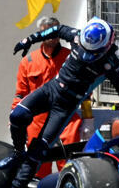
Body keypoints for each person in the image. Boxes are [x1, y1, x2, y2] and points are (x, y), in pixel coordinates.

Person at [0, 17, 119, 188]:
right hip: (51, 89)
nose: (85, 54)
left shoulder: (111, 64)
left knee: (38, 151)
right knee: (17, 115)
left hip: (64, 107)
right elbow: (55, 30)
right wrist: (29, 40)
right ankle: (17, 152)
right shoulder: (76, 36)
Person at [13, 16, 86, 178]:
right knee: (37, 170)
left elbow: (85, 89)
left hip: (67, 121)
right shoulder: (28, 61)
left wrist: (88, 119)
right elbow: (20, 94)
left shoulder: (71, 56)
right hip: (36, 123)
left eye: (54, 32)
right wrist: (17, 123)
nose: (51, 36)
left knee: (69, 166)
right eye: (46, 32)